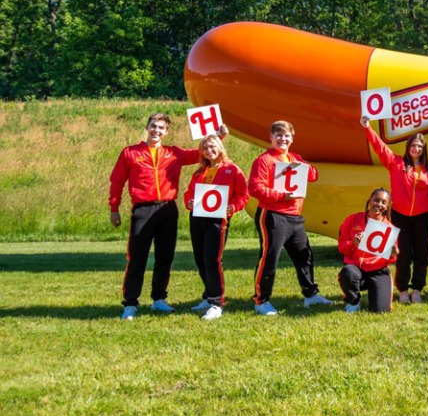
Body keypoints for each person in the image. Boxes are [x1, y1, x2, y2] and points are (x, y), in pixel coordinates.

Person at [109, 112, 227, 321]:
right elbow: (117, 181)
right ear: (147, 127)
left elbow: (201, 153)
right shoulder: (130, 153)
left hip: (167, 209)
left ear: (166, 132)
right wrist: (114, 207)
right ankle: (130, 304)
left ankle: (159, 299)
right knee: (137, 257)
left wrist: (219, 136)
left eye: (161, 128)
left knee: (165, 256)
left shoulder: (173, 153)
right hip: (142, 209)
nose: (156, 130)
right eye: (153, 126)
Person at [248, 120, 332, 315]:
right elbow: (255, 188)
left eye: (286, 136)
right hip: (273, 215)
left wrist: (302, 165)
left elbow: (314, 176)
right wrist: (280, 196)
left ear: (292, 139)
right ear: (271, 137)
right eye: (278, 135)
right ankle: (261, 300)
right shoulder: (264, 160)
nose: (282, 139)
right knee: (270, 257)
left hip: (295, 216)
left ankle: (310, 295)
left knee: (304, 256)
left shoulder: (294, 158)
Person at [361, 117, 428, 304]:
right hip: (400, 215)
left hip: (422, 216)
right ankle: (403, 289)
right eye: (413, 145)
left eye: (420, 146)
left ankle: (417, 289)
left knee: (422, 253)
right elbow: (379, 147)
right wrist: (367, 128)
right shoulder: (396, 163)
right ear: (408, 147)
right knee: (403, 253)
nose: (416, 149)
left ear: (424, 149)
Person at [183, 134, 249, 321]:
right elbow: (189, 193)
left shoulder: (232, 169)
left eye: (212, 147)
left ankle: (216, 302)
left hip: (217, 220)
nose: (209, 151)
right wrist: (189, 202)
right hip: (197, 218)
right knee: (200, 259)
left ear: (220, 147)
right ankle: (208, 294)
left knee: (212, 259)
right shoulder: (199, 172)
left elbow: (243, 195)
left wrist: (233, 207)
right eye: (205, 148)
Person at [337, 188, 399, 313]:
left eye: (383, 202)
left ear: (387, 207)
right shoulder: (352, 220)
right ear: (370, 200)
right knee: (347, 272)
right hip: (356, 268)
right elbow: (342, 247)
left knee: (381, 310)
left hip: (377, 271)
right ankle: (354, 301)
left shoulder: (389, 228)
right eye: (376, 200)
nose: (379, 205)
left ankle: (377, 291)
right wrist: (354, 243)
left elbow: (391, 258)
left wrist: (393, 254)